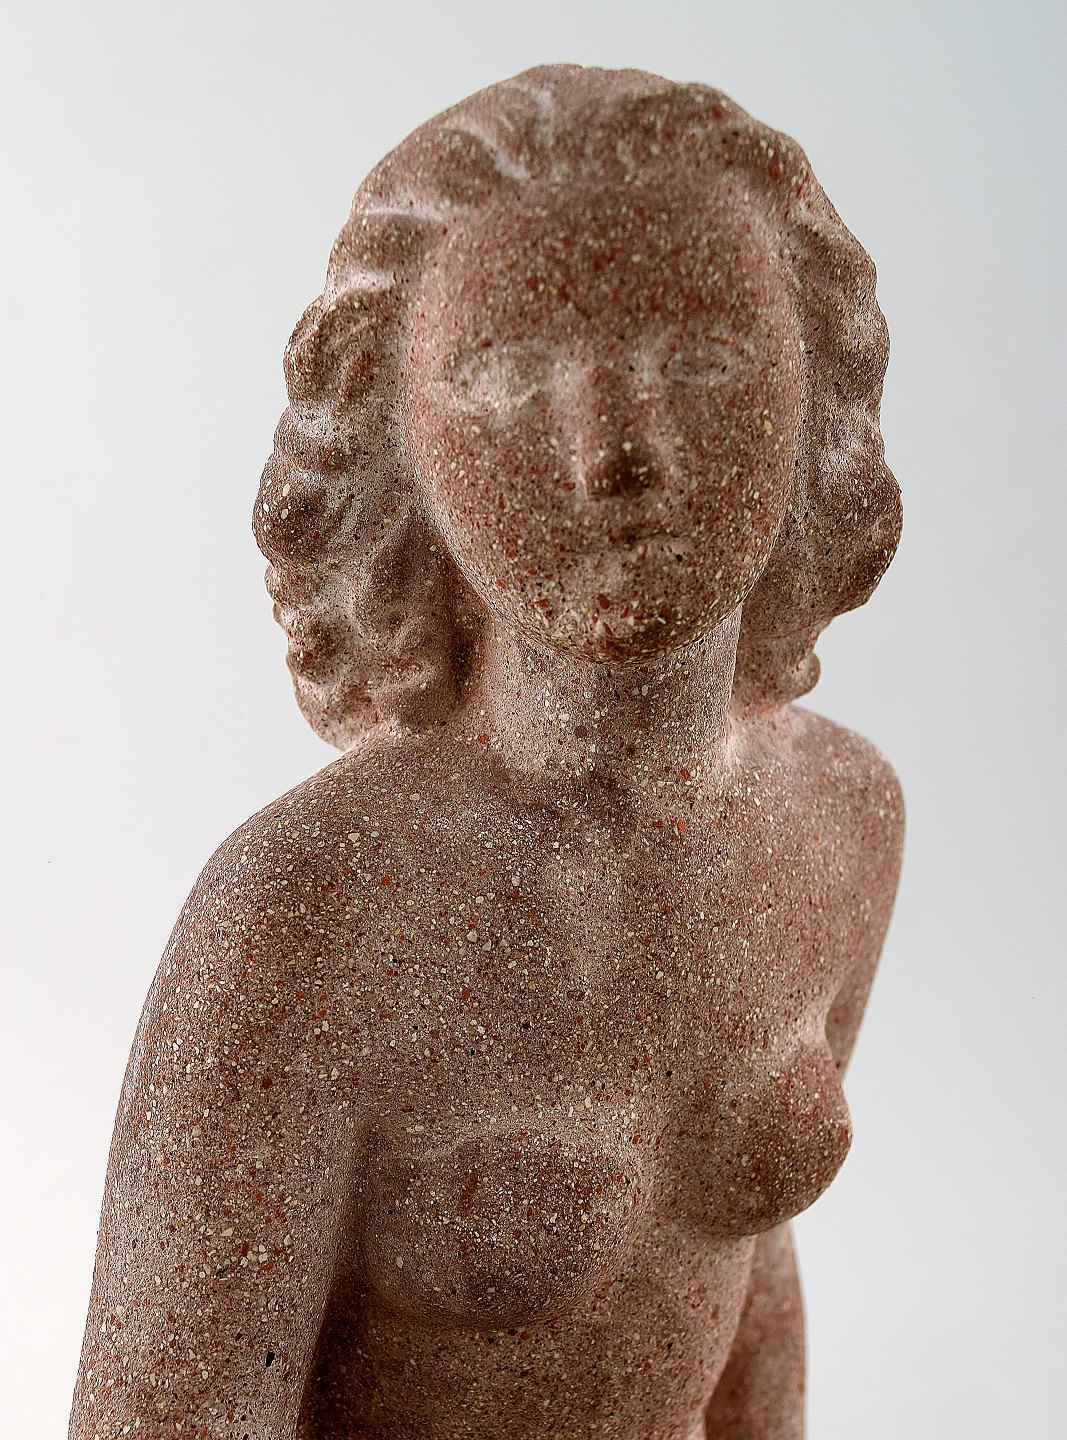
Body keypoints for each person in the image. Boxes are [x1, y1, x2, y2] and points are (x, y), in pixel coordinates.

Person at [70, 65, 904, 1440]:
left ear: (816, 391)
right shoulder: (310, 913)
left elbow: (745, 1260)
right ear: (395, 440)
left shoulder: (841, 818)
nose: (614, 454)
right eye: (509, 375)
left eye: (700, 360)